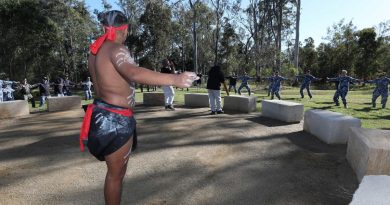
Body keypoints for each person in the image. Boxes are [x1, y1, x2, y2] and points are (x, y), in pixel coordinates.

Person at [81, 10, 198, 205]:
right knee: (115, 176)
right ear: (124, 29)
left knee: (113, 174)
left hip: (101, 114)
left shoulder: (94, 53)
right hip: (116, 119)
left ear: (104, 28)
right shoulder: (116, 49)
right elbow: (133, 73)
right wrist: (175, 78)